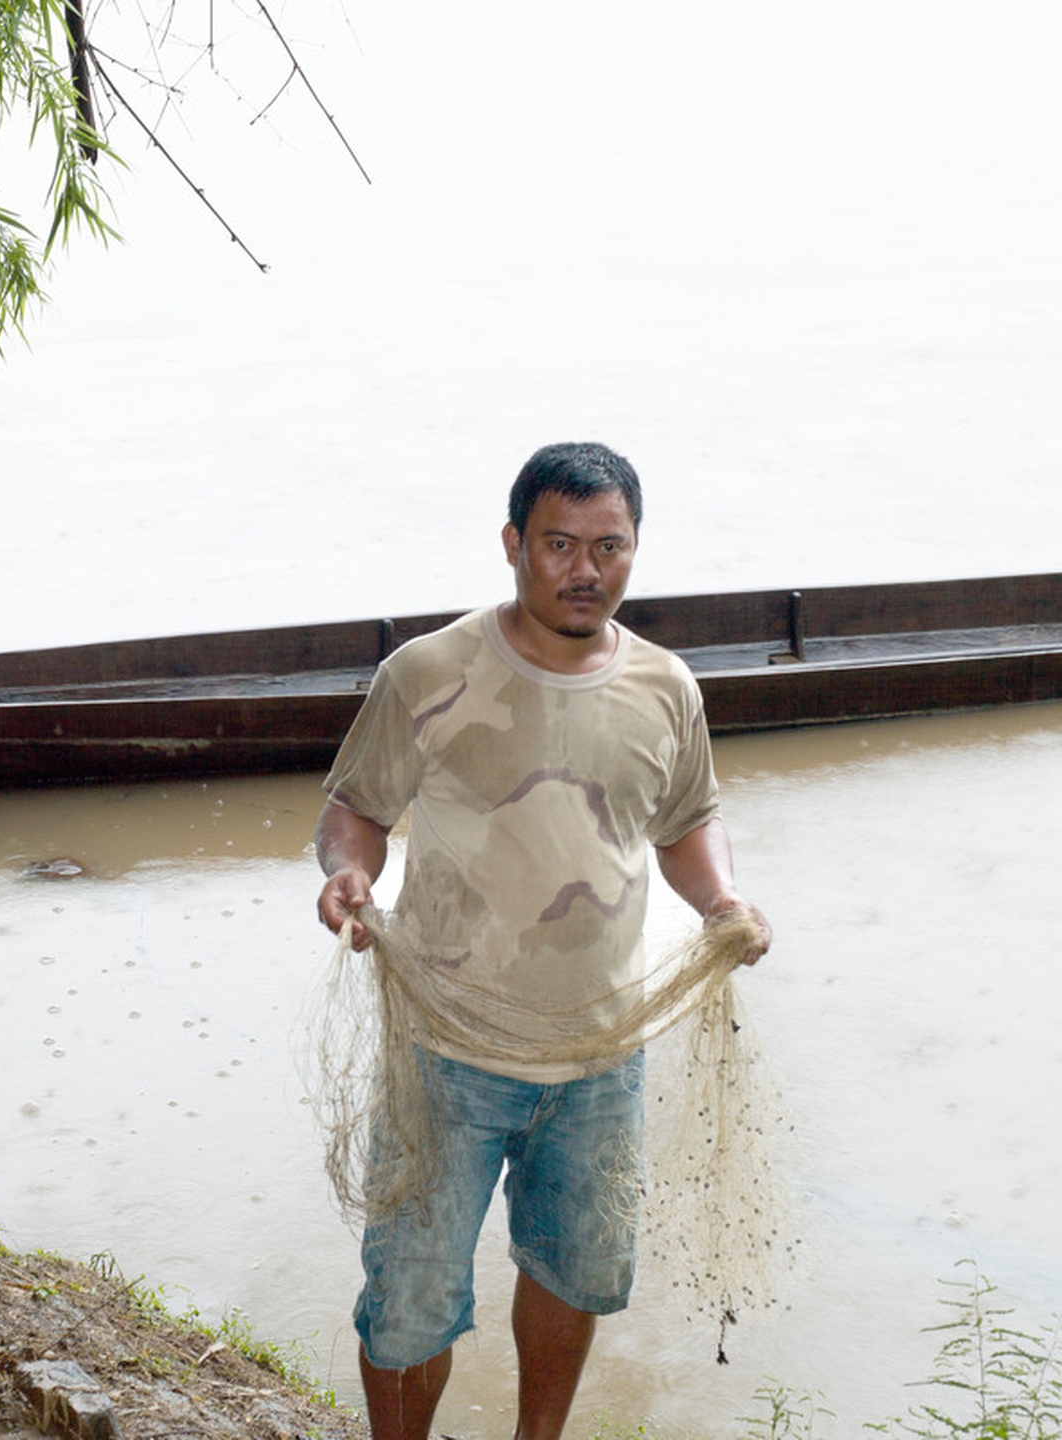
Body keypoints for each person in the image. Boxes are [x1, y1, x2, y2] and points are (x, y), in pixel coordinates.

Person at [313, 441, 771, 1440]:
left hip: (602, 1055)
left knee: (574, 1272)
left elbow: (689, 821)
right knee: (410, 1300)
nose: (584, 570)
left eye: (609, 547)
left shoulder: (665, 686)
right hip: (448, 1051)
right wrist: (351, 874)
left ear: (636, 550)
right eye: (560, 544)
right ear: (514, 544)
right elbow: (355, 808)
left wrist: (721, 901)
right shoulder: (428, 674)